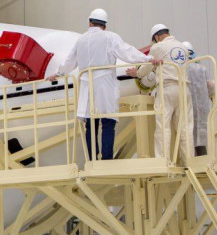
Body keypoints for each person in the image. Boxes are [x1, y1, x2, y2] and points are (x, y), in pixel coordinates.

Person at [48, 9, 159, 160]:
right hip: (104, 82)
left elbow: (69, 62)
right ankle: (106, 158)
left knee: (90, 123)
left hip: (86, 84)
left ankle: (92, 157)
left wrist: (58, 74)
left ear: (90, 22)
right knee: (108, 120)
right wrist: (148, 59)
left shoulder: (80, 40)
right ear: (104, 25)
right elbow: (127, 52)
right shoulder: (109, 37)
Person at [130, 24, 193, 161]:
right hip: (185, 89)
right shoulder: (182, 47)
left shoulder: (158, 47)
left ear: (157, 37)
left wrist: (137, 73)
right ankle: (188, 160)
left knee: (163, 127)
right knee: (185, 128)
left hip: (167, 89)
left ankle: (163, 160)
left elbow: (148, 66)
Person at [182, 41, 215, 156]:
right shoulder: (202, 69)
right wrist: (211, 96)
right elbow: (211, 85)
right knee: (200, 138)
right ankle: (202, 158)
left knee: (187, 137)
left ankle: (191, 160)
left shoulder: (180, 69)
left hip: (186, 108)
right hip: (202, 109)